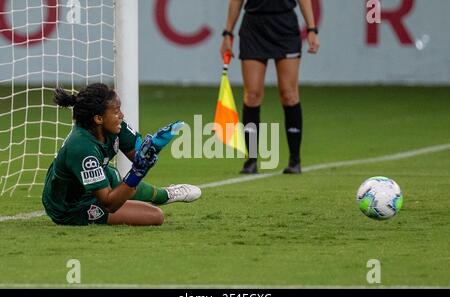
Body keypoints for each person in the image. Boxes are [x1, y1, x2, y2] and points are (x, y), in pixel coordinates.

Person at [42, 83, 201, 226]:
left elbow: (139, 155)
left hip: (92, 183)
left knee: (113, 176)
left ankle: (165, 194)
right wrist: (136, 173)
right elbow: (110, 204)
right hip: (69, 206)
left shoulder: (114, 127)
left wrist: (153, 147)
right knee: (155, 216)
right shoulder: (82, 148)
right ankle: (164, 195)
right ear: (99, 118)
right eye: (116, 111)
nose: (122, 115)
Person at [220, 0, 320, 174]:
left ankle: (294, 160)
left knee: (289, 94)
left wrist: (311, 29)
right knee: (252, 95)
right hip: (254, 27)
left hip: (285, 26)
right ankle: (251, 159)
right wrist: (228, 33)